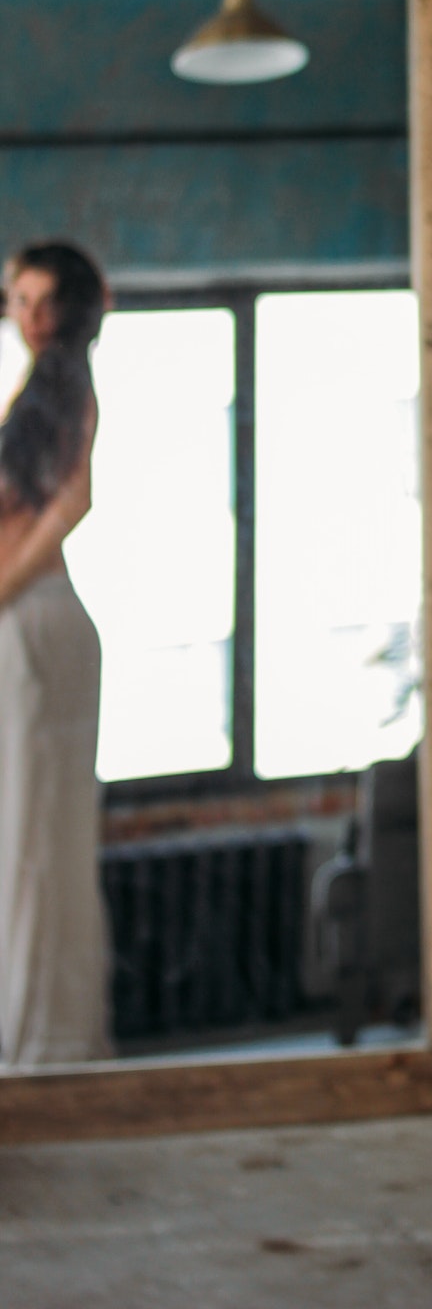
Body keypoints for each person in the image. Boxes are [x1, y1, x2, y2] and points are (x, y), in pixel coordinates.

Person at [0, 241, 111, 1067]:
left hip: (35, 620)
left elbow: (74, 499)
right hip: (28, 618)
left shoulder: (68, 387)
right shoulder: (34, 394)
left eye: (43, 300)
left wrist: (2, 586)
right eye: (17, 298)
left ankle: (42, 1043)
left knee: (35, 835)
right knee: (27, 832)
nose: (29, 316)